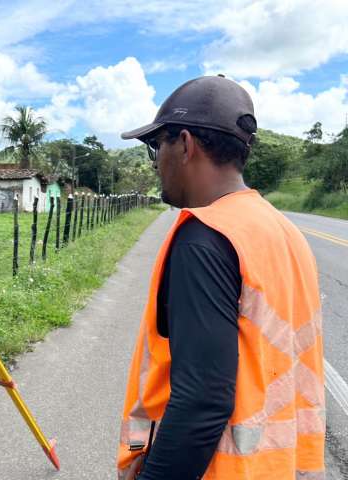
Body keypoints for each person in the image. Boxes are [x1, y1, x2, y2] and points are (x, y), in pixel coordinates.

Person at [117, 76, 325, 479]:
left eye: (156, 146)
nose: (157, 161)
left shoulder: (205, 237)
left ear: (185, 144)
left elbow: (202, 400)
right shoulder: (282, 231)